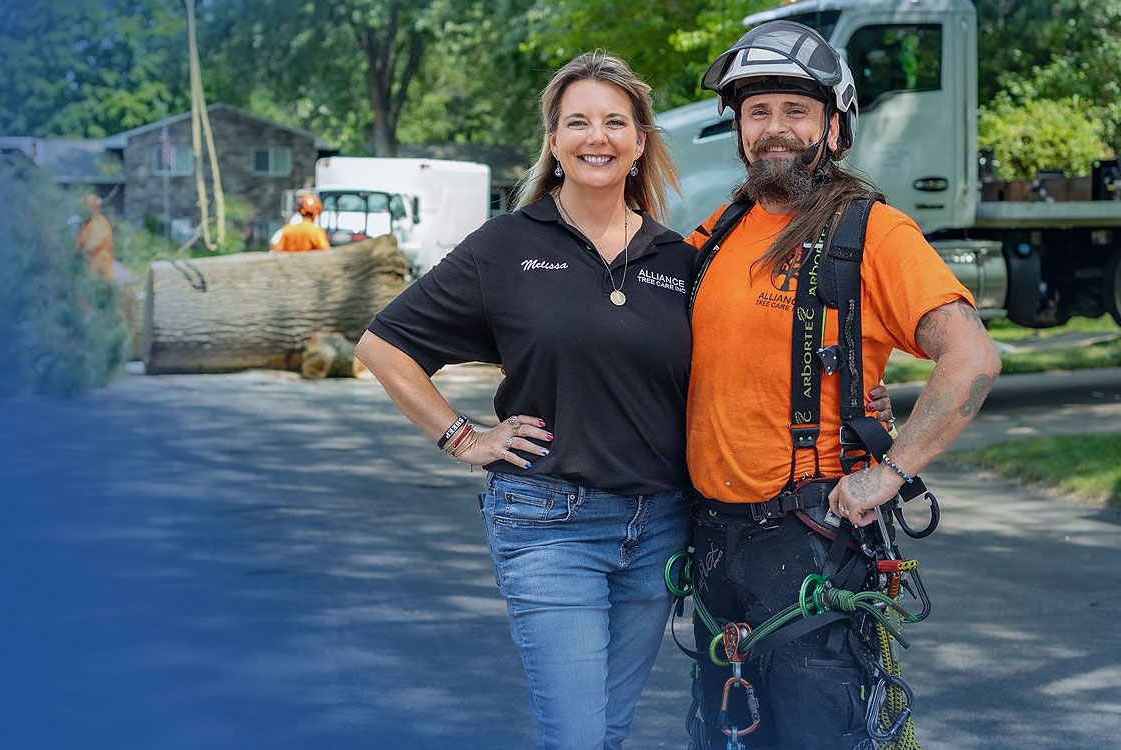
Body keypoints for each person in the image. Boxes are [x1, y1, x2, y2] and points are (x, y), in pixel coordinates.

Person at [355, 52, 692, 750]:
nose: (595, 137)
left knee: (608, 732)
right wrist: (462, 437)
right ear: (554, 141)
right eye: (577, 122)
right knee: (573, 736)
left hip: (661, 524)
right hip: (549, 523)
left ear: (639, 143)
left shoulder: (680, 259)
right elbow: (383, 347)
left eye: (613, 123)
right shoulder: (507, 244)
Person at [680, 21, 1001, 749]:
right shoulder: (718, 233)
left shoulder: (875, 233)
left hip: (813, 550)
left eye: (796, 110)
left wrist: (890, 472)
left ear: (835, 127)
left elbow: (973, 358)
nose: (774, 128)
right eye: (756, 111)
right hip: (714, 549)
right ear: (737, 128)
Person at [76, 193, 116, 281]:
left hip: (100, 276)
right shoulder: (87, 224)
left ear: (93, 208)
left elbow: (90, 248)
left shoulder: (99, 223)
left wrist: (77, 253)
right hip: (89, 276)